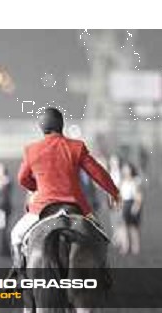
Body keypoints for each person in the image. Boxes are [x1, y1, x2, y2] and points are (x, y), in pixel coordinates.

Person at [10, 107, 121, 270]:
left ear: (42, 127)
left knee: (16, 236)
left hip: (42, 208)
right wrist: (114, 191)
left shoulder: (31, 150)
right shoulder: (76, 147)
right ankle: (104, 274)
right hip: (77, 208)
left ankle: (18, 273)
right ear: (61, 125)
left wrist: (36, 188)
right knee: (100, 237)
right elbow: (97, 172)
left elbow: (22, 178)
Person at [119, 161, 143, 255]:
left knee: (133, 228)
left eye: (127, 169)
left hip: (132, 204)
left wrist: (136, 206)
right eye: (124, 169)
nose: (125, 171)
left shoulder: (134, 182)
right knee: (124, 227)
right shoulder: (122, 182)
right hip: (124, 205)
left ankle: (135, 247)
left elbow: (139, 196)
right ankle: (125, 246)